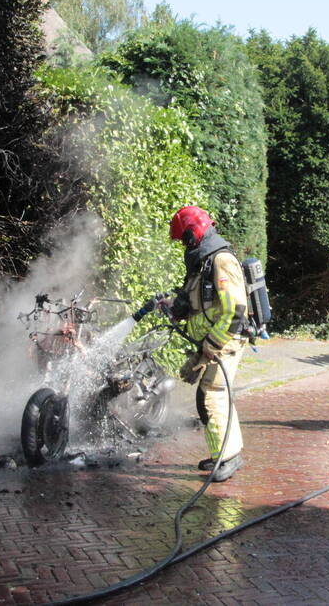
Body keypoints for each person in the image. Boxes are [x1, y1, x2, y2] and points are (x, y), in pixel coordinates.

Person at [138, 206, 248, 482]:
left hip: (225, 342)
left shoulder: (221, 261)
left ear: (193, 233)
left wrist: (209, 347)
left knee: (211, 396)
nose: (183, 246)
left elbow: (234, 310)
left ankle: (227, 458)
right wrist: (173, 306)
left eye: (184, 240)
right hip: (212, 343)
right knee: (215, 395)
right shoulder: (203, 262)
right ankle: (227, 453)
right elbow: (197, 301)